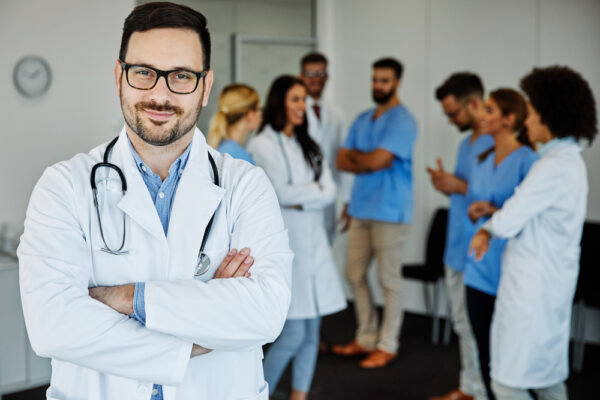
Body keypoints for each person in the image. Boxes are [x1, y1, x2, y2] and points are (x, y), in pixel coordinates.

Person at [17, 3, 292, 399]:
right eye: (144, 72)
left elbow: (265, 313)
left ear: (206, 85)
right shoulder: (63, 186)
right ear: (119, 77)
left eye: (181, 76)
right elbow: (52, 326)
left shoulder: (246, 185)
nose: (159, 94)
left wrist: (127, 297)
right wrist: (201, 333)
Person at [470, 66, 597, 400]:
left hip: (533, 293)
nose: (527, 122)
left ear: (551, 117)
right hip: (545, 287)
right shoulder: (567, 163)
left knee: (507, 384)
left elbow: (510, 220)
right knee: (547, 380)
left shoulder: (552, 167)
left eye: (534, 113)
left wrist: (486, 228)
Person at [248, 75, 346, 400]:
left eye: (303, 99)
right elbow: (276, 192)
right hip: (287, 244)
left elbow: (331, 191)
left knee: (311, 332)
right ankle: (252, 393)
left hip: (315, 243)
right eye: (295, 99)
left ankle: (299, 395)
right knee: (292, 334)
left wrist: (303, 196)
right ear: (279, 102)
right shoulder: (262, 144)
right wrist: (312, 193)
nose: (301, 106)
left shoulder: (310, 144)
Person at [332, 57, 417, 369]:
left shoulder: (403, 121)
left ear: (396, 82)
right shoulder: (363, 118)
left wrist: (362, 159)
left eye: (384, 80)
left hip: (391, 212)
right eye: (375, 79)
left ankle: (387, 344)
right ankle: (366, 337)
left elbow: (376, 162)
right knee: (353, 273)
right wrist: (363, 159)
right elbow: (342, 161)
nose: (377, 85)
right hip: (361, 208)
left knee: (388, 279)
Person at [463, 88, 539, 400]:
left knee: (514, 363)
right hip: (478, 268)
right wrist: (475, 210)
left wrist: (493, 211)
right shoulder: (482, 158)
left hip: (510, 273)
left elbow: (530, 216)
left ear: (509, 120)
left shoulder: (529, 161)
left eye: (490, 110)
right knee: (484, 353)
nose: (482, 115)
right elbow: (475, 204)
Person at [427, 72, 492, 400]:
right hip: (457, 247)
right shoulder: (466, 143)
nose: (451, 120)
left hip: (480, 253)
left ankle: (478, 391)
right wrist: (447, 185)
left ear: (475, 103)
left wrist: (460, 186)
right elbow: (468, 195)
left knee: (476, 327)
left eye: (454, 113)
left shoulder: (498, 143)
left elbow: (502, 199)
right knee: (461, 325)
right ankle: (470, 388)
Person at [299, 52, 351, 240]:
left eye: (321, 74)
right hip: (300, 195)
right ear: (301, 76)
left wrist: (347, 200)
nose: (316, 79)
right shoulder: (294, 110)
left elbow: (342, 158)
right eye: (311, 73)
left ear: (327, 77)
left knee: (324, 250)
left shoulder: (336, 114)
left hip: (327, 196)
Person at [207, 83, 261, 164]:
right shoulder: (242, 160)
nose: (261, 114)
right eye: (259, 109)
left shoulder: (221, 148)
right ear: (250, 115)